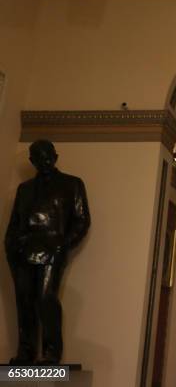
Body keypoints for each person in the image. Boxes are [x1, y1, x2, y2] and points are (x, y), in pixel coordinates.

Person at [4, 139, 90, 364]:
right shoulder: (25, 189)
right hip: (24, 253)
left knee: (45, 299)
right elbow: (14, 225)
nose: (45, 161)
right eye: (39, 158)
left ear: (55, 156)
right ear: (32, 161)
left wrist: (62, 245)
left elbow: (82, 221)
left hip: (52, 251)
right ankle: (26, 351)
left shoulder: (72, 184)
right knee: (24, 301)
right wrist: (12, 247)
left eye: (48, 156)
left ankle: (52, 352)